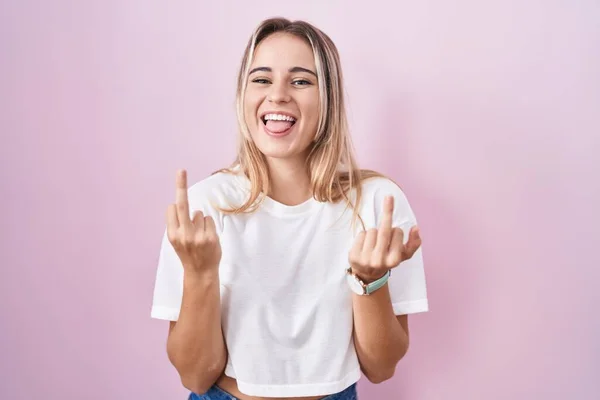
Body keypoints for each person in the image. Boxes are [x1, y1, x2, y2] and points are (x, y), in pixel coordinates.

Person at [151, 17, 429, 400]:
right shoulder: (203, 207)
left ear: (328, 98)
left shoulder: (377, 204)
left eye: (301, 80)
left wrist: (370, 280)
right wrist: (200, 274)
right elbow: (196, 377)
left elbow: (381, 368)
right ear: (243, 96)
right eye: (262, 79)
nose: (278, 95)